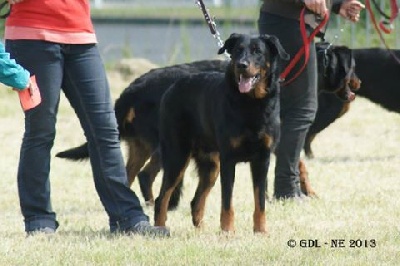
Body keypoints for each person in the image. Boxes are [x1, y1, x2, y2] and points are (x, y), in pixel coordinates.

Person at [4, 0, 170, 237]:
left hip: (80, 36)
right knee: (41, 130)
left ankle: (128, 217)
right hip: (32, 35)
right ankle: (38, 220)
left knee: (106, 130)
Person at [258, 0, 364, 199]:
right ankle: (287, 188)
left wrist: (336, 4)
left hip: (288, 20)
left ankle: (290, 185)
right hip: (288, 21)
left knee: (294, 109)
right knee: (302, 109)